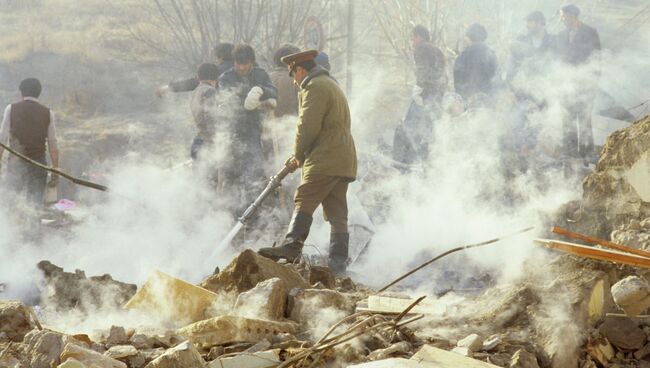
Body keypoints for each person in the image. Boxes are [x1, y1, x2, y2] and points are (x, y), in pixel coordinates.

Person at [258, 50, 357, 274]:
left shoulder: (314, 87)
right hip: (343, 157)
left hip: (325, 157)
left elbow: (307, 125)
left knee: (305, 197)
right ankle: (338, 266)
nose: (293, 81)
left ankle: (292, 246)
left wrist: (298, 155)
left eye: (293, 75)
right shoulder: (330, 84)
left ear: (300, 70)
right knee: (337, 212)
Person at [218, 44, 277, 211]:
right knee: (232, 175)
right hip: (232, 131)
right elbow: (226, 99)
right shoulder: (226, 78)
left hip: (254, 130)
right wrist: (246, 100)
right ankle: (232, 214)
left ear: (251, 62)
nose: (241, 68)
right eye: (238, 64)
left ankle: (254, 213)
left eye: (245, 64)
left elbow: (273, 91)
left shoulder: (261, 74)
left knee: (255, 173)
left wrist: (261, 91)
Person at [393, 25, 446, 167]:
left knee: (407, 129)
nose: (412, 41)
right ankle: (427, 164)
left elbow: (423, 70)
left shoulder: (422, 48)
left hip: (425, 95)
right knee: (428, 131)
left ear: (419, 36)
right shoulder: (437, 50)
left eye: (413, 37)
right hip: (436, 97)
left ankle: (401, 165)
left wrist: (419, 87)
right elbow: (442, 76)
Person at [0, 78, 59, 206]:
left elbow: (2, 139)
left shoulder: (11, 109)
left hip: (16, 166)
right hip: (39, 165)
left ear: (21, 92)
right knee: (34, 205)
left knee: (12, 204)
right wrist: (55, 169)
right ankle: (33, 226)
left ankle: (11, 225)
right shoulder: (48, 113)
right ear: (39, 93)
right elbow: (53, 144)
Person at [556, 4, 601, 162]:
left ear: (571, 15)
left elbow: (596, 61)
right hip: (566, 85)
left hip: (585, 85)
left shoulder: (590, 32)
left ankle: (587, 154)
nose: (561, 19)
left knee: (584, 120)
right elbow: (558, 61)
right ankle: (570, 154)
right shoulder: (561, 35)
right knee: (567, 120)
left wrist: (592, 86)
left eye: (563, 15)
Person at [156, 43, 234, 96]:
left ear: (221, 56)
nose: (214, 58)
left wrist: (169, 88)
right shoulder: (238, 68)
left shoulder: (219, 70)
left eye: (215, 56)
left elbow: (194, 82)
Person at [507, 11, 556, 82]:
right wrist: (508, 86)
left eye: (530, 22)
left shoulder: (553, 41)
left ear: (539, 23)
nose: (527, 25)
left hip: (548, 86)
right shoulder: (521, 41)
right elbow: (512, 66)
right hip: (525, 86)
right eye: (526, 22)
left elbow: (558, 65)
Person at [453, 23, 498, 100]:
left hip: (468, 98)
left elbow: (458, 79)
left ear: (469, 38)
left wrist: (462, 95)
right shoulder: (491, 55)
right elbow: (496, 78)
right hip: (487, 98)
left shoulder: (463, 56)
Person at [189, 63, 220, 171]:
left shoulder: (196, 91)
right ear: (217, 78)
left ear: (198, 77)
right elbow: (210, 118)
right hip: (207, 144)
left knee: (200, 183)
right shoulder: (210, 91)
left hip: (197, 140)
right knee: (210, 183)